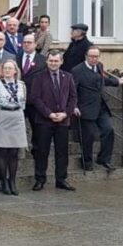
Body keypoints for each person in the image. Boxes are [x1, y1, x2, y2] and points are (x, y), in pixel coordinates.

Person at [29, 50, 78, 191]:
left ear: (61, 62)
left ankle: (61, 179)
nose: (53, 63)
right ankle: (40, 179)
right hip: (44, 120)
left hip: (63, 120)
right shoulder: (39, 77)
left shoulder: (68, 77)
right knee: (42, 151)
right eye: (51, 60)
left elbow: (73, 98)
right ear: (47, 61)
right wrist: (49, 113)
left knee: (62, 152)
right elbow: (35, 98)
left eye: (56, 61)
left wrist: (66, 113)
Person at [72, 47, 123, 172]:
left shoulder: (99, 66)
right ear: (86, 56)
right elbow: (73, 89)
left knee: (109, 130)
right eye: (91, 56)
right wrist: (74, 106)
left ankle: (103, 159)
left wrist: (117, 82)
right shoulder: (77, 70)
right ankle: (86, 161)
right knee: (88, 136)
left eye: (96, 56)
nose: (94, 59)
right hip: (85, 108)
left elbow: (102, 80)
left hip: (101, 106)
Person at [0, 59, 28, 195]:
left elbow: (23, 103)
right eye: (5, 68)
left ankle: (12, 181)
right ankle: (4, 181)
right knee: (3, 151)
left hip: (16, 116)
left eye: (10, 68)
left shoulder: (21, 85)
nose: (7, 71)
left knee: (14, 152)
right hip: (1, 116)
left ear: (15, 71)